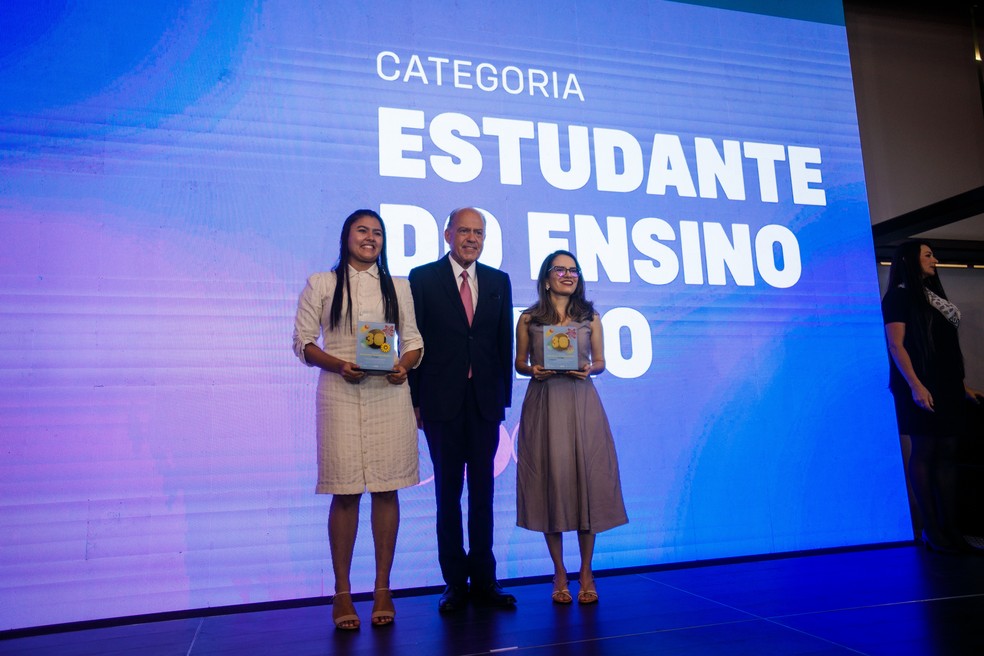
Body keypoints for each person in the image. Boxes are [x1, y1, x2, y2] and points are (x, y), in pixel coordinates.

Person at [292, 209, 423, 629]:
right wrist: (338, 365)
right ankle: (342, 592)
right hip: (340, 394)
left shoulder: (398, 286)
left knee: (386, 489)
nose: (370, 238)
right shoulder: (322, 283)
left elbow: (414, 341)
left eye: (377, 233)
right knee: (345, 492)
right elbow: (303, 343)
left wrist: (403, 365)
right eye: (362, 231)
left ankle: (383, 588)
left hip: (389, 395)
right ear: (346, 236)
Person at [408, 207, 516, 612]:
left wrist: (502, 400)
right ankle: (455, 583)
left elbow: (503, 344)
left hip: (485, 403)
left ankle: (485, 580)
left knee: (483, 494)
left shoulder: (498, 281)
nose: (472, 238)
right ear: (448, 234)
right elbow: (413, 340)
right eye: (465, 231)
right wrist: (415, 400)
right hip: (440, 402)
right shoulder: (422, 278)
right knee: (448, 494)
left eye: (479, 232)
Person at [514, 250, 628, 603]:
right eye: (560, 269)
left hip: (581, 400)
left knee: (586, 483)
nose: (568, 275)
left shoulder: (590, 316)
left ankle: (587, 571)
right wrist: (533, 369)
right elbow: (520, 363)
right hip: (545, 402)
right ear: (546, 278)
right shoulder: (529, 318)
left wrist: (591, 368)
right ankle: (560, 571)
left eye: (573, 270)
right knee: (550, 483)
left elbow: (601, 361)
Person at [882, 240, 983, 553]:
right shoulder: (898, 296)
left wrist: (961, 386)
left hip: (947, 385)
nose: (935, 260)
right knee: (926, 450)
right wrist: (915, 385)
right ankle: (932, 531)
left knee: (948, 451)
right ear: (909, 260)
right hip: (919, 385)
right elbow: (896, 345)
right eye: (928, 255)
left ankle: (951, 529)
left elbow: (945, 346)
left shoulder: (932, 296)